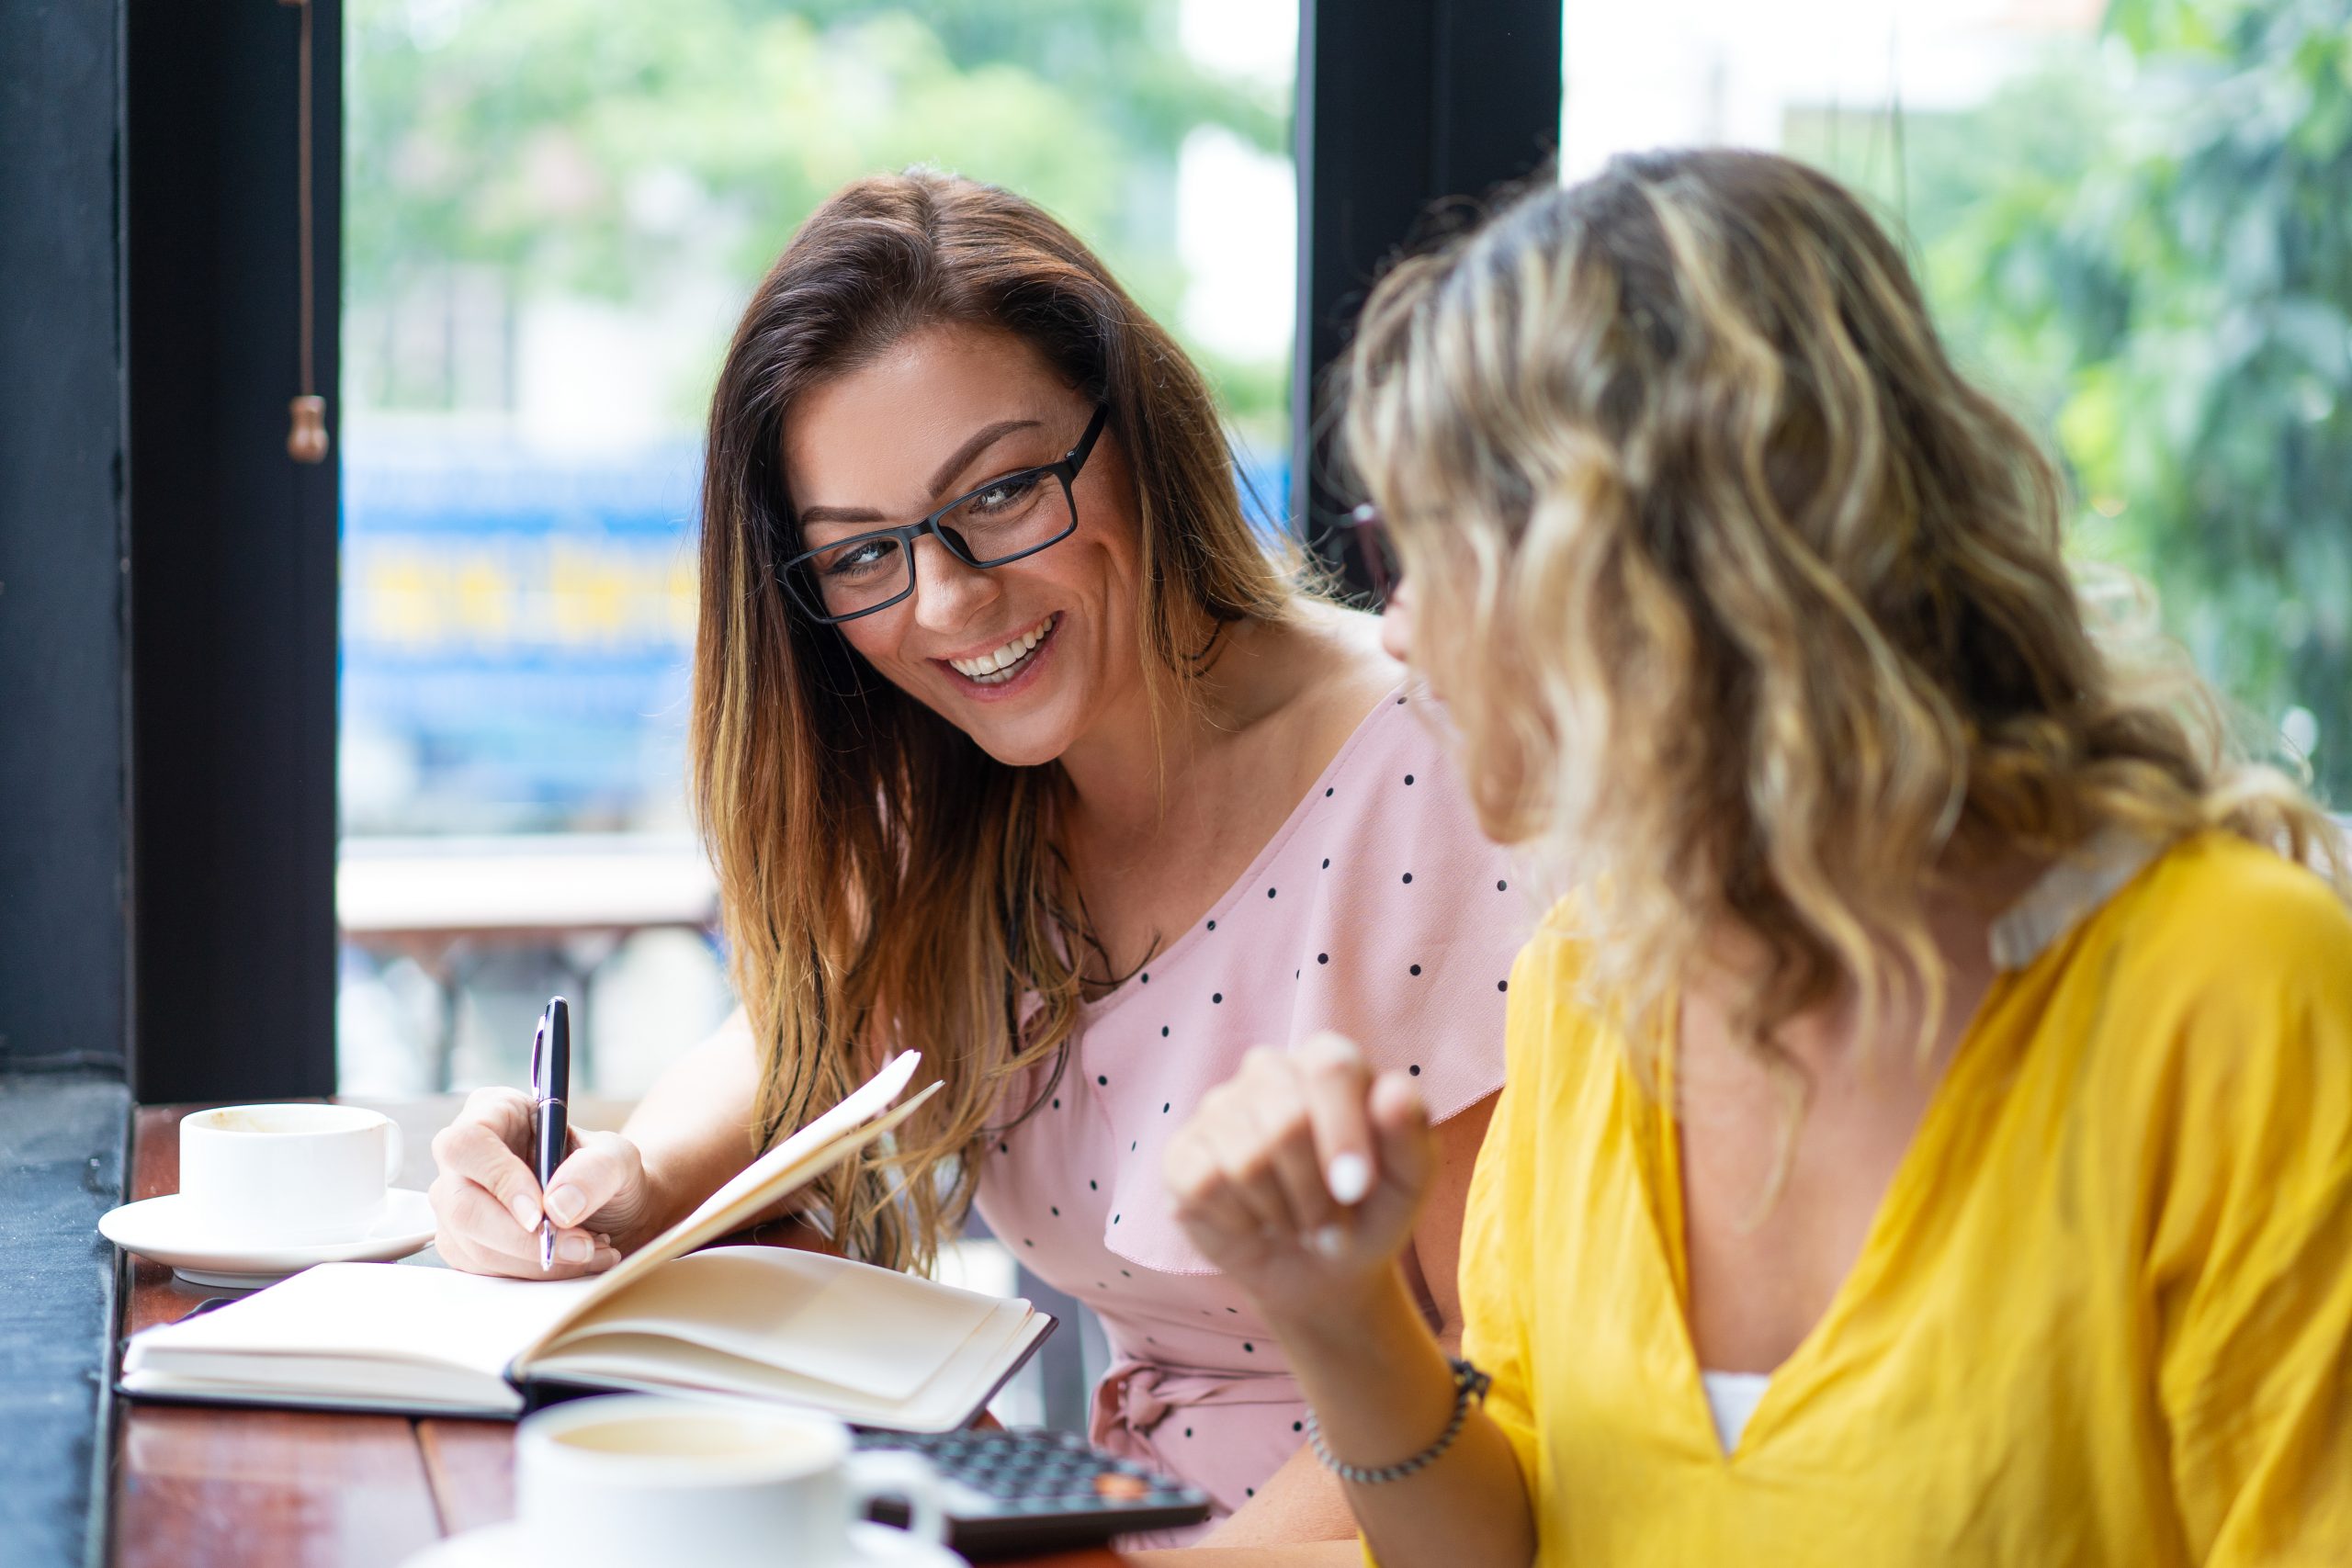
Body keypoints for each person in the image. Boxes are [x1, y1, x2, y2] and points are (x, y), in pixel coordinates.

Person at [1164, 148, 2352, 1565]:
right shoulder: (1591, 978)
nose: (1400, 629)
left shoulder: (2230, 986)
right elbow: (1503, 1548)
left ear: (1642, 574)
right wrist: (1338, 1314)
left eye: (1432, 552)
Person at [425, 168, 1531, 1540]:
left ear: (1137, 437)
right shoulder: (973, 789)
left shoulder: (1432, 780)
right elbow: (802, 1040)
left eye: (1002, 493)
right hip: (1096, 1521)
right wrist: (613, 1183)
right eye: (865, 552)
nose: (949, 601)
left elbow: (1501, 1375)